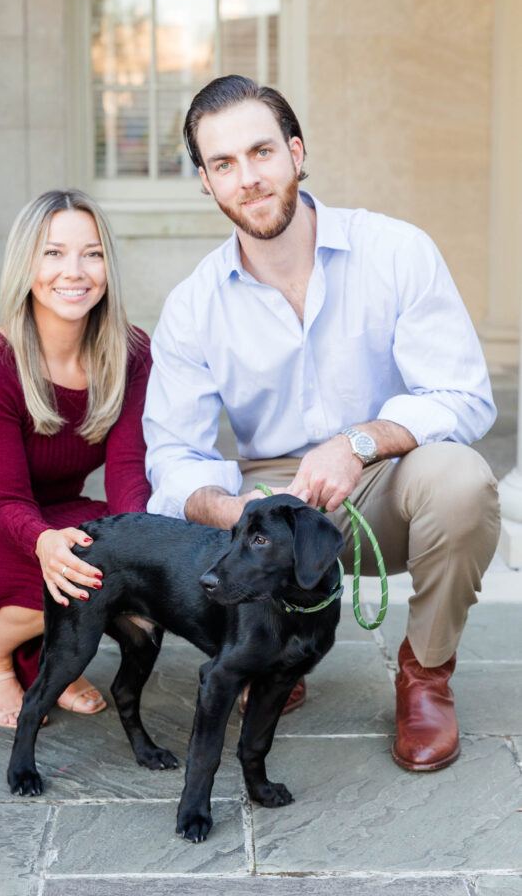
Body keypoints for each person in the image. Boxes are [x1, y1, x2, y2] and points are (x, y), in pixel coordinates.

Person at [143, 75, 500, 771]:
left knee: (459, 478)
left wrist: (358, 442)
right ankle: (275, 653)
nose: (248, 179)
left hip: (382, 483)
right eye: (223, 164)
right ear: (205, 183)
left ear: (296, 152)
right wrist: (224, 507)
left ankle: (423, 675)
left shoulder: (395, 250)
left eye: (261, 152)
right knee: (209, 514)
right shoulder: (193, 305)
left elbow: (463, 395)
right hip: (270, 506)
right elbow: (171, 457)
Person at [0, 189, 151, 727]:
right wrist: (55, 545)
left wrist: (136, 536)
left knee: (114, 547)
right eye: (53, 253)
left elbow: (127, 467)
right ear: (26, 264)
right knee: (83, 561)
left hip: (49, 521)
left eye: (92, 253)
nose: (75, 271)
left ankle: (40, 655)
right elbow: (7, 501)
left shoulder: (131, 353)